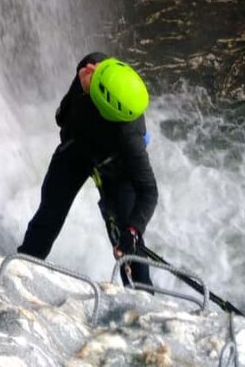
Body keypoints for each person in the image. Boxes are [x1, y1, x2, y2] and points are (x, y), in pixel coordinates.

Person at [17, 52, 158, 288]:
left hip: (115, 168)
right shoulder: (89, 66)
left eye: (96, 75)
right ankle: (23, 266)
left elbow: (148, 190)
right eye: (95, 68)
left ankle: (141, 297)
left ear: (106, 105)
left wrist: (134, 229)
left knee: (128, 240)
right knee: (49, 215)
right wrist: (83, 91)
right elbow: (62, 117)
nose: (91, 70)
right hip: (77, 151)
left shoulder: (128, 138)